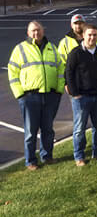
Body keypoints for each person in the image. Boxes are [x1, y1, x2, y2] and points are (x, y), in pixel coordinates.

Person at [7, 21, 64, 170]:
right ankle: (31, 161)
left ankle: (47, 156)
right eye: (33, 31)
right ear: (28, 33)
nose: (36, 33)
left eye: (38, 30)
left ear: (43, 31)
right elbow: (12, 73)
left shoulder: (52, 48)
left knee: (48, 129)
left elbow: (60, 69)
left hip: (50, 96)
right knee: (31, 132)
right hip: (30, 97)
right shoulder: (20, 49)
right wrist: (20, 94)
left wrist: (58, 91)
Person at [66, 24, 97, 166]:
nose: (92, 37)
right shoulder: (76, 53)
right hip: (81, 97)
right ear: (83, 36)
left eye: (95, 35)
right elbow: (69, 74)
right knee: (79, 129)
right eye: (89, 35)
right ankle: (79, 156)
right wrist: (75, 93)